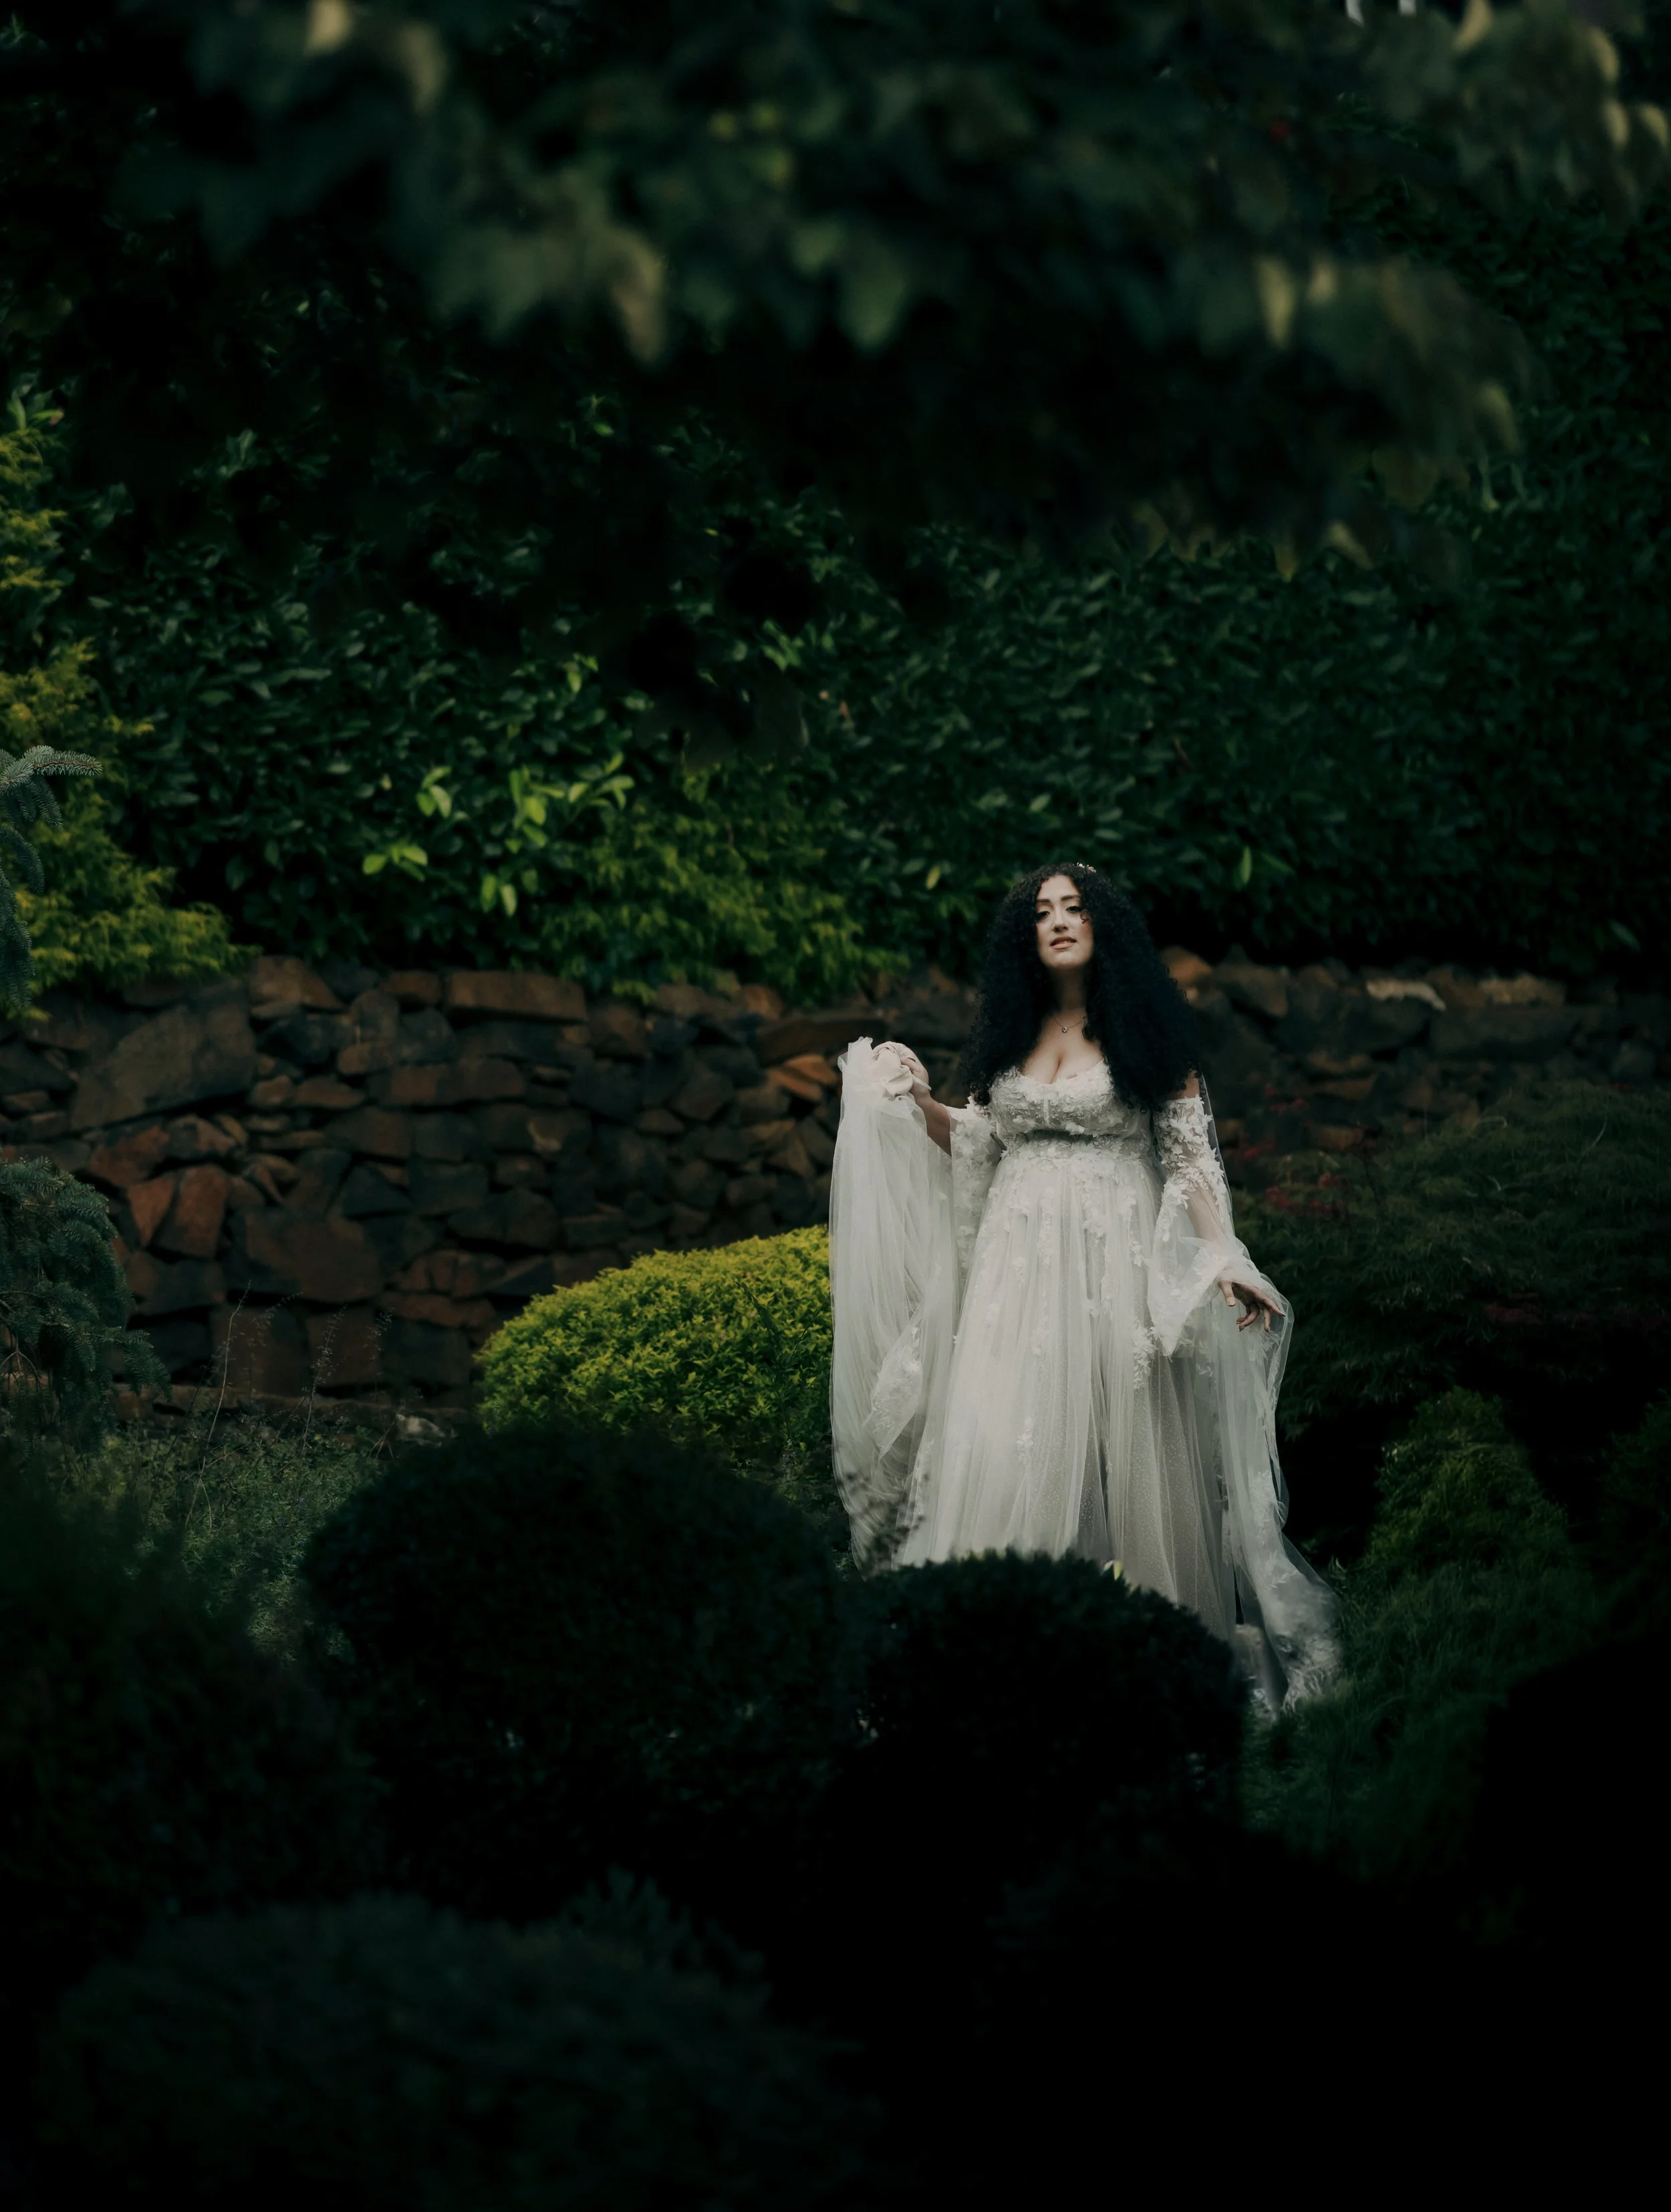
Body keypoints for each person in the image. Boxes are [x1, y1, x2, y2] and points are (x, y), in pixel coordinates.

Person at [827, 863, 1339, 1706]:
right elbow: (979, 1141)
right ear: (1023, 936)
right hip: (1015, 1276)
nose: (1059, 920)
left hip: (1115, 1269)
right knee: (1000, 1448)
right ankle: (990, 1667)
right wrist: (916, 1101)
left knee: (1133, 1461)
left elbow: (1189, 1161)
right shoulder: (1010, 1036)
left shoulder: (1146, 1033)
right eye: (1042, 911)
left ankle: (1152, 1671)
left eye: (1074, 907)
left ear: (1104, 925)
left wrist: (1224, 1261)